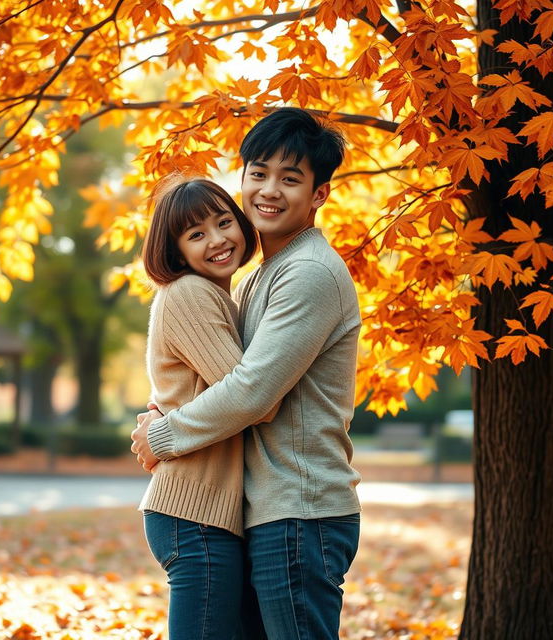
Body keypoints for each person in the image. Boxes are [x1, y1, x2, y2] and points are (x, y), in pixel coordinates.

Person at [132, 107, 362, 640]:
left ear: (319, 194)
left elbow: (252, 391)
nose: (269, 190)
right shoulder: (257, 278)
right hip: (270, 510)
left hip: (300, 509)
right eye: (258, 173)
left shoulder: (306, 273)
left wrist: (162, 434)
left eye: (291, 178)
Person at [137, 176, 278, 640]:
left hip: (205, 513)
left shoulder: (220, 297)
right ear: (176, 252)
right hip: (193, 514)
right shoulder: (190, 294)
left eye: (224, 223)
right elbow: (250, 395)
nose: (217, 240)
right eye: (196, 234)